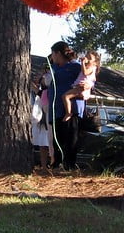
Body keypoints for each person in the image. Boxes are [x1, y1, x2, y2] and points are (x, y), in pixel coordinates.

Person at [47, 41, 91, 171]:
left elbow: (88, 80)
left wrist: (87, 87)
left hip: (71, 109)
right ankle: (57, 164)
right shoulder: (54, 68)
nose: (52, 57)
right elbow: (46, 82)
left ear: (58, 53)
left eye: (53, 54)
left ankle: (69, 166)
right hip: (56, 109)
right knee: (57, 138)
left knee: (70, 138)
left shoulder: (75, 66)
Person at [62, 50, 100, 122]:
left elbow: (85, 72)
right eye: (86, 57)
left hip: (81, 87)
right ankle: (68, 112)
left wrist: (82, 62)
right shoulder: (88, 67)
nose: (87, 59)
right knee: (67, 96)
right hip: (79, 87)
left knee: (65, 96)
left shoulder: (91, 68)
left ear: (95, 63)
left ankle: (68, 113)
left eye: (89, 58)